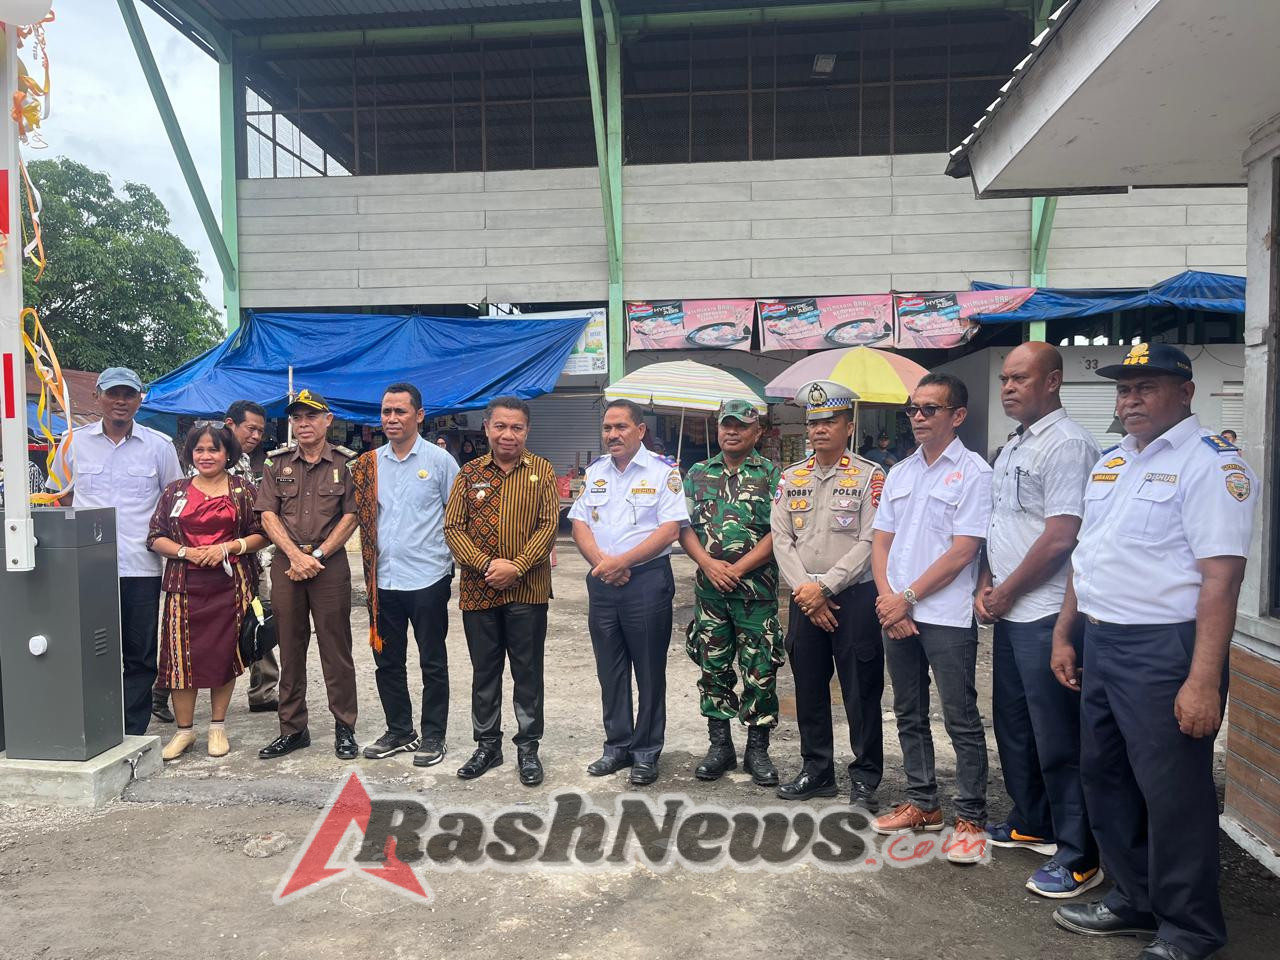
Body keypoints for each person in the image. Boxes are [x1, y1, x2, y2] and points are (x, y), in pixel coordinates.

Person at [1049, 344, 1256, 960]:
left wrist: (1202, 681)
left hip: (1166, 647)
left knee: (1173, 792)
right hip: (1103, 638)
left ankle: (1190, 928)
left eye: (1146, 388)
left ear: (1186, 392)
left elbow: (1221, 579)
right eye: (1123, 390)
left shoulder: (1211, 465)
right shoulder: (1113, 462)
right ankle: (1135, 898)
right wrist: (1066, 632)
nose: (1130, 400)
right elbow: (1087, 558)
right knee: (1105, 777)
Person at [975, 343, 1103, 898]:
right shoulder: (1015, 447)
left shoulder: (1069, 445)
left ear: (1052, 381)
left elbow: (1061, 536)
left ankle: (1079, 854)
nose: (1007, 387)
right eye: (1004, 378)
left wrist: (1004, 593)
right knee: (1014, 725)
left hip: (1047, 613)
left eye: (1019, 378)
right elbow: (1001, 525)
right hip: (1009, 609)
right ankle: (1033, 820)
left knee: (1059, 737)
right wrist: (986, 583)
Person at [870, 372, 993, 865]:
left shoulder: (975, 473)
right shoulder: (900, 472)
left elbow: (964, 551)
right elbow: (880, 541)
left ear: (957, 415)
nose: (917, 417)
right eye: (912, 409)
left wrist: (909, 597)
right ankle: (924, 803)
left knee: (960, 717)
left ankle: (971, 818)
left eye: (929, 409)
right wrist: (888, 600)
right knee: (908, 712)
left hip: (944, 615)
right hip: (896, 612)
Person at [48, 367, 184, 736]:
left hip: (141, 567)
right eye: (113, 394)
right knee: (89, 650)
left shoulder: (159, 446)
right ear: (97, 397)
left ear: (141, 399)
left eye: (129, 394)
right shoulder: (72, 443)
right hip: (88, 567)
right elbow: (60, 493)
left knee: (139, 654)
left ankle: (131, 730)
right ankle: (95, 724)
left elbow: (174, 500)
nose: (121, 401)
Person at [770, 382, 886, 809]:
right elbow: (781, 538)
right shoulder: (790, 477)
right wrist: (807, 590)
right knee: (809, 689)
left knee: (861, 690)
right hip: (804, 598)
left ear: (849, 426)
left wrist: (826, 588)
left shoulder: (871, 476)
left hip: (852, 598)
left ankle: (865, 777)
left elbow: (872, 540)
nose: (819, 429)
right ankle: (817, 770)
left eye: (829, 421)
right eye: (813, 422)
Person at [568, 399, 689, 786]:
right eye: (607, 428)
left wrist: (623, 563)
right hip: (603, 582)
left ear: (640, 431)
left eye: (620, 427)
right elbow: (580, 523)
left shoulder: (663, 472)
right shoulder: (595, 472)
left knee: (649, 672)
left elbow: (670, 530)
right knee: (611, 670)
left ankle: (646, 751)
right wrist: (603, 565)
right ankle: (616, 746)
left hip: (647, 583)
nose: (612, 435)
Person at [444, 396, 559, 786]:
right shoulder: (468, 473)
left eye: (517, 428)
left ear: (527, 431)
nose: (508, 434)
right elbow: (453, 528)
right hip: (479, 592)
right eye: (501, 426)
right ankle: (487, 745)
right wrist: (484, 566)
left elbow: (548, 527)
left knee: (528, 673)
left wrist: (517, 567)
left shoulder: (542, 471)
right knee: (485, 672)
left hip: (528, 592)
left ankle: (528, 749)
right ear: (487, 428)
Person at [348, 383, 459, 766]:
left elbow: (457, 516)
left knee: (432, 660)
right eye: (386, 412)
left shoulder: (440, 462)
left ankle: (433, 736)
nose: (391, 419)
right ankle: (400, 731)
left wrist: (449, 562)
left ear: (419, 415)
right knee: (387, 661)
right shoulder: (368, 465)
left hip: (428, 577)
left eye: (400, 412)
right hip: (383, 581)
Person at [146, 424, 268, 759]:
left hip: (230, 586)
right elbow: (155, 535)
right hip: (184, 587)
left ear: (227, 453)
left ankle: (217, 726)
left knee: (223, 655)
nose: (206, 456)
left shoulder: (243, 490)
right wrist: (185, 552)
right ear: (190, 454)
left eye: (213, 450)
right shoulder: (175, 491)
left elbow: (262, 533)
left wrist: (231, 546)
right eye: (199, 450)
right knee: (179, 659)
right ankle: (184, 732)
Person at [679, 399, 783, 786]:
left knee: (759, 671)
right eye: (727, 425)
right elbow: (682, 526)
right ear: (718, 429)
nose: (732, 431)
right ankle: (719, 747)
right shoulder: (698, 474)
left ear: (757, 432)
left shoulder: (773, 476)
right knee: (714, 668)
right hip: (711, 594)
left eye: (741, 425)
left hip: (756, 593)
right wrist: (708, 565)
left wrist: (738, 569)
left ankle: (757, 750)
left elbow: (780, 532)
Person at [254, 389, 361, 760]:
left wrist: (315, 555)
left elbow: (351, 516)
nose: (303, 424)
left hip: (328, 565)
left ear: (328, 420)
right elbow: (267, 514)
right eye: (297, 418)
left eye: (311, 416)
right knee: (290, 645)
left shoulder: (346, 464)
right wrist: (293, 557)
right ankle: (293, 729)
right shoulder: (275, 463)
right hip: (288, 565)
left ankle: (344, 728)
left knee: (336, 649)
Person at [225, 400, 280, 713]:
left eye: (261, 429)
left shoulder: (246, 461)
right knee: (201, 627)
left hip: (253, 559)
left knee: (261, 622)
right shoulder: (208, 455)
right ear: (230, 424)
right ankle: (165, 690)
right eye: (251, 428)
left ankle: (263, 691)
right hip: (216, 562)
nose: (257, 435)